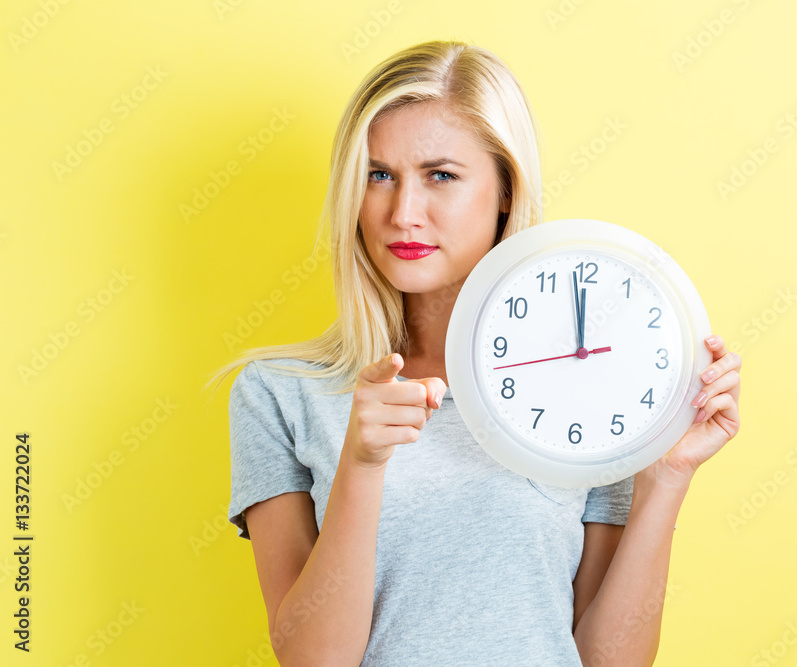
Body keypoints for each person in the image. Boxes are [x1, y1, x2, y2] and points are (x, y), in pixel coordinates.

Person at [207, 40, 742, 666]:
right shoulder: (280, 393)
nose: (403, 214)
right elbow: (312, 660)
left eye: (441, 175)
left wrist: (665, 477)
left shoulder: (593, 392)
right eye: (379, 175)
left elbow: (609, 661)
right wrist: (362, 463)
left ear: (506, 190)